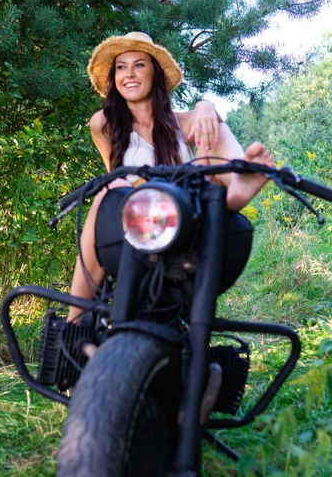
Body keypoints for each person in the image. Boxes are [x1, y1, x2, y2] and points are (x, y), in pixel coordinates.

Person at [67, 31, 273, 322]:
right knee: (109, 188)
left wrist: (206, 106)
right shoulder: (104, 124)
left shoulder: (185, 122)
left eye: (139, 65)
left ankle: (236, 183)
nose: (129, 74)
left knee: (209, 125)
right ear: (114, 78)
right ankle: (75, 318)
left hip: (186, 220)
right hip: (137, 219)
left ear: (155, 73)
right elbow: (114, 177)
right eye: (121, 67)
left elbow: (202, 122)